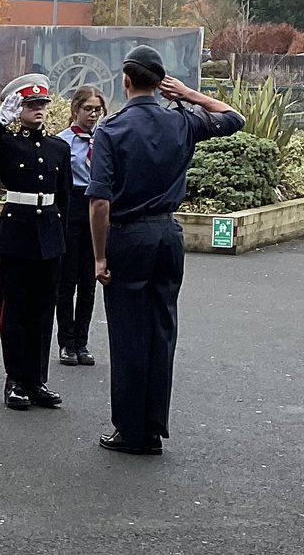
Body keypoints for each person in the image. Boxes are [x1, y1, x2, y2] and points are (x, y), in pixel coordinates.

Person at [88, 46, 244, 455]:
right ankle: (155, 425)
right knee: (161, 331)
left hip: (129, 236)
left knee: (128, 334)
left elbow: (100, 201)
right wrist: (190, 94)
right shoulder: (182, 121)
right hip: (167, 234)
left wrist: (100, 256)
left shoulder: (111, 129)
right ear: (161, 84)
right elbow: (234, 118)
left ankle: (130, 429)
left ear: (125, 80)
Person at [0, 75, 73, 410]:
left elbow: (64, 198)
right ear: (18, 109)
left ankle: (37, 381)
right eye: (30, 105)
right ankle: (16, 380)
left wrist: (62, 240)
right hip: (17, 234)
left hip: (49, 235)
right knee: (15, 311)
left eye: (41, 105)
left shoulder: (58, 148)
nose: (38, 110)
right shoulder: (6, 144)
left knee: (43, 310)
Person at [55, 86, 108, 367]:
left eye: (97, 110)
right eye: (87, 109)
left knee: (89, 279)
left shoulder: (103, 140)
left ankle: (82, 341)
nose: (92, 114)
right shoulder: (63, 142)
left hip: (96, 204)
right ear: (76, 109)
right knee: (67, 280)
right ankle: (66, 342)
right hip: (72, 204)